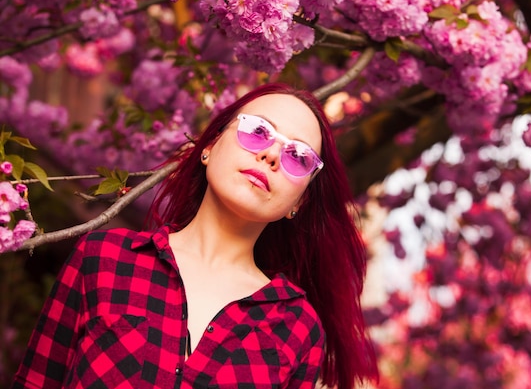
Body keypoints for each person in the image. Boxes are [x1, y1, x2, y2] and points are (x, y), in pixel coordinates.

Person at [11, 83, 379, 389]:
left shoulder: (296, 326)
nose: (270, 155)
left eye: (298, 157)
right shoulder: (104, 259)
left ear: (297, 202)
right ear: (209, 146)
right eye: (258, 131)